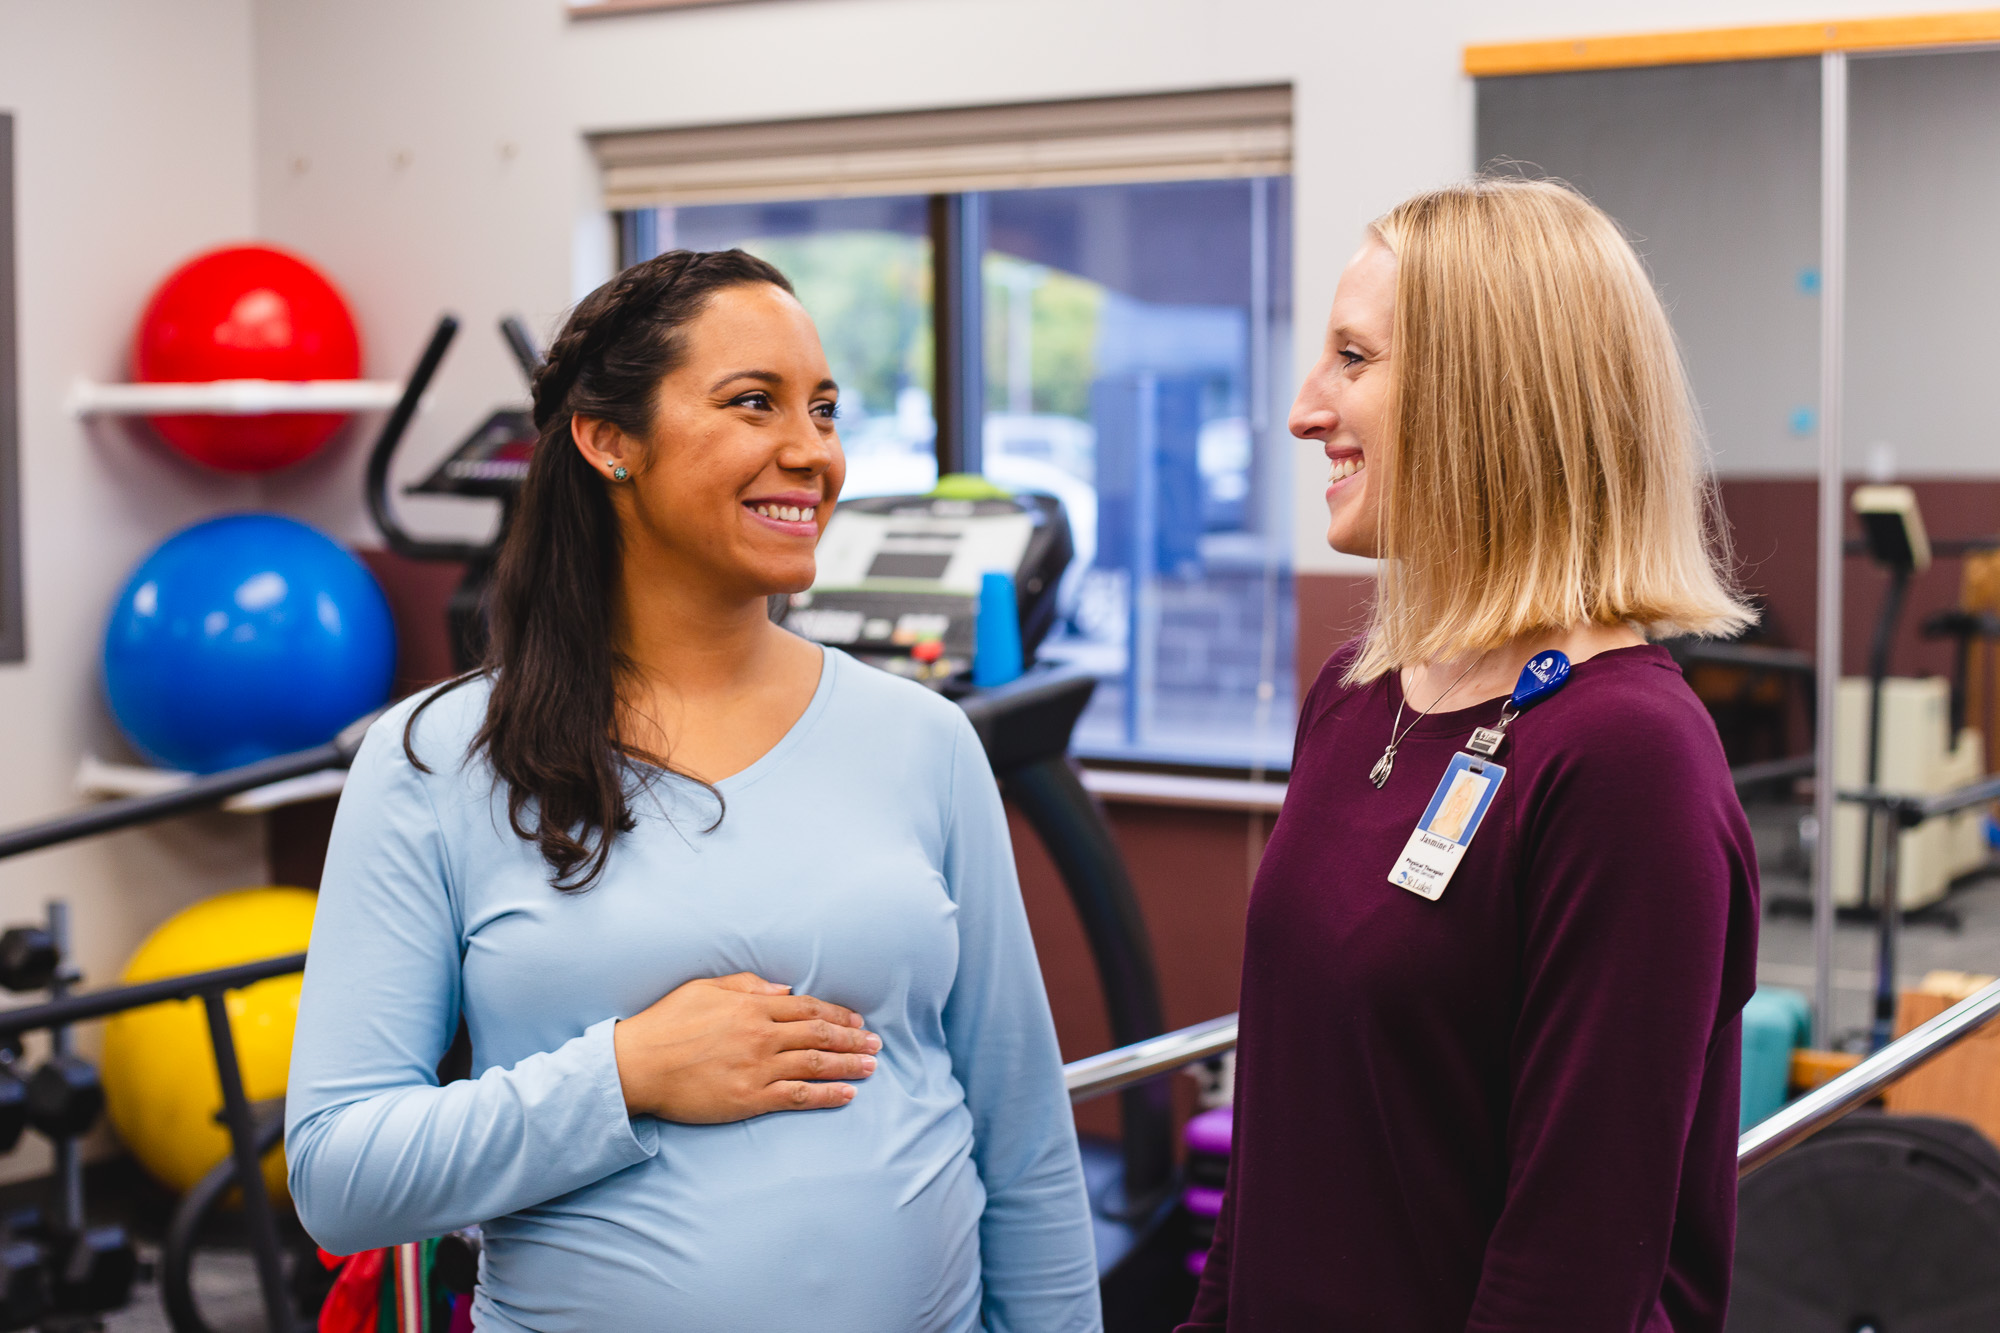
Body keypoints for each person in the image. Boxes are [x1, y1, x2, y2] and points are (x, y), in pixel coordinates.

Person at [286, 249, 1101, 1333]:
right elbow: (341, 1175)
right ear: (605, 438)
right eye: (752, 403)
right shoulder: (435, 759)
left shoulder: (923, 740)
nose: (809, 452)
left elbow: (1026, 1145)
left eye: (822, 410)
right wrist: (624, 1073)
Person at [1181, 179, 1760, 1331]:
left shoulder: (1624, 761)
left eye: (1352, 358)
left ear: (1483, 397)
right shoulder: (1353, 701)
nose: (1305, 410)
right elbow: (1284, 1140)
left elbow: (1570, 1273)